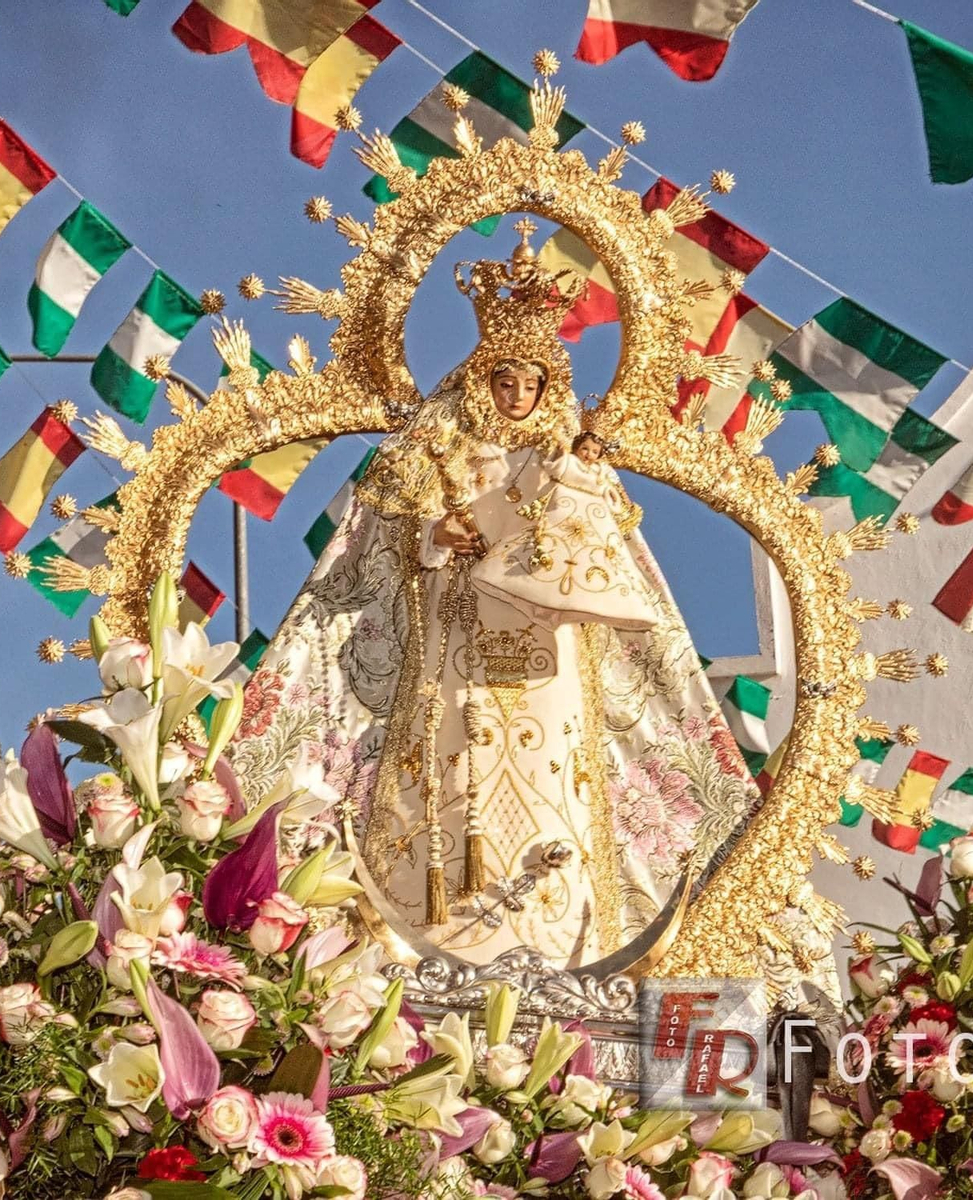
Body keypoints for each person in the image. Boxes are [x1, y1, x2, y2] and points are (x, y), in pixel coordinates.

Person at [223, 229, 760, 969]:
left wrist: (565, 503)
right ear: (482, 377)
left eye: (530, 385)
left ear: (550, 387)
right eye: (504, 382)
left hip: (549, 663)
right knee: (445, 783)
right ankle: (424, 942)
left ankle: (559, 942)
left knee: (558, 781)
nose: (516, 398)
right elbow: (382, 548)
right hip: (451, 654)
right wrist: (436, 537)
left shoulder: (571, 462)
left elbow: (604, 558)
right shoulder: (431, 448)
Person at [470, 429, 661, 632]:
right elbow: (554, 465)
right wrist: (558, 447)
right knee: (549, 555)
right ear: (576, 447)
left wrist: (613, 502)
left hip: (591, 519)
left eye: (594, 451)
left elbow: (609, 494)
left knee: (594, 563)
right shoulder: (568, 462)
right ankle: (533, 593)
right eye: (585, 448)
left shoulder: (599, 472)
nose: (588, 454)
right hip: (562, 513)